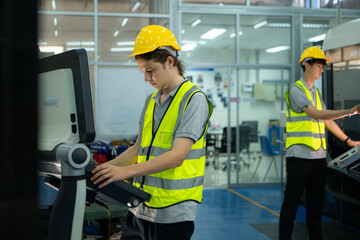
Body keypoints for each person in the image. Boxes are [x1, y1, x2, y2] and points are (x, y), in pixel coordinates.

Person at [91, 25, 213, 240]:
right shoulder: (152, 101)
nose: (147, 79)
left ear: (170, 61)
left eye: (150, 70)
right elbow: (137, 149)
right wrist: (100, 171)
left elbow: (177, 156)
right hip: (140, 204)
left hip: (172, 212)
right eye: (142, 72)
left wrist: (124, 173)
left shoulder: (194, 99)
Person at [279, 46, 360, 240]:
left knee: (316, 208)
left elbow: (326, 120)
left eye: (323, 66)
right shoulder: (296, 90)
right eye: (319, 65)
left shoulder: (315, 92)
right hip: (299, 158)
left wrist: (347, 140)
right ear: (307, 65)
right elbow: (316, 114)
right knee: (291, 205)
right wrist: (351, 110)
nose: (322, 69)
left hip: (318, 159)